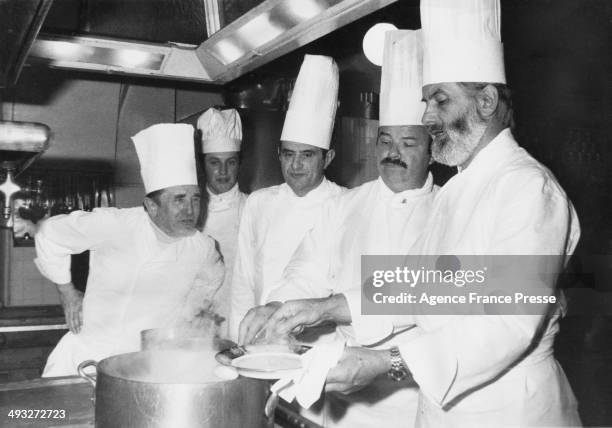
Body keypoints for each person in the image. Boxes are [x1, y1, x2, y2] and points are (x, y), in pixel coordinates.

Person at [246, 0, 582, 426]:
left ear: (487, 101)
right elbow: (424, 287)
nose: (427, 116)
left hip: (509, 411)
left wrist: (388, 362)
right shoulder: (459, 190)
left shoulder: (527, 187)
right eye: (426, 102)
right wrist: (325, 307)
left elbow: (506, 320)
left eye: (439, 101)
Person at [239, 30, 436, 428]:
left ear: (433, 148)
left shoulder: (449, 211)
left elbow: (422, 290)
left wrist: (328, 306)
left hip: (412, 394)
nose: (392, 154)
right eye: (384, 140)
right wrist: (280, 305)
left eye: (409, 143)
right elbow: (306, 267)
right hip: (342, 391)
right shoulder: (349, 204)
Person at [35, 123, 224, 377]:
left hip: (146, 367)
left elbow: (211, 279)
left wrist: (189, 317)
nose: (190, 211)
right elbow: (49, 233)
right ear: (151, 206)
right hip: (85, 362)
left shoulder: (202, 247)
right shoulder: (115, 225)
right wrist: (66, 290)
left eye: (195, 198)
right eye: (179, 199)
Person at [228, 54, 345, 341]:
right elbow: (242, 282)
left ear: (327, 158)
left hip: (318, 346)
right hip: (258, 338)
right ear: (278, 155)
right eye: (288, 154)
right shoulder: (259, 202)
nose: (295, 166)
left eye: (307, 155)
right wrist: (236, 343)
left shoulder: (344, 205)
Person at [197, 107, 248, 337]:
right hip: (197, 321)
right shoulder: (191, 211)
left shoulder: (254, 207)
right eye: (214, 162)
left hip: (243, 318)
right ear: (203, 164)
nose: (223, 171)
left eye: (231, 162)